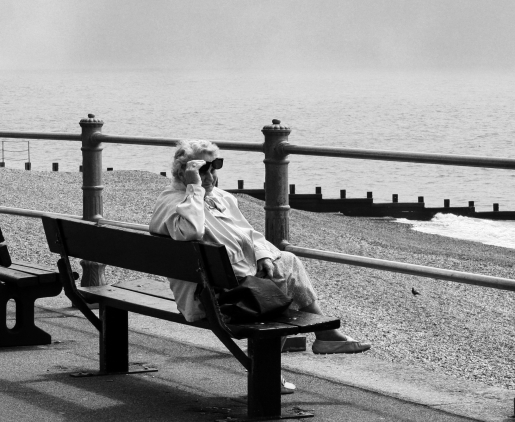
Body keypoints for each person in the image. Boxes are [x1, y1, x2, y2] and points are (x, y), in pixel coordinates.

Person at [149, 139, 371, 392]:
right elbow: (191, 231)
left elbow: (249, 234)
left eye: (214, 166)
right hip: (212, 298)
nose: (210, 175)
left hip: (232, 285)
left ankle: (318, 341)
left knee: (284, 264)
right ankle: (286, 361)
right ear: (184, 172)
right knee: (283, 279)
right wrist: (195, 189)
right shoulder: (174, 203)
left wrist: (263, 254)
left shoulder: (221, 198)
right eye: (201, 169)